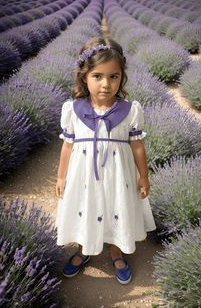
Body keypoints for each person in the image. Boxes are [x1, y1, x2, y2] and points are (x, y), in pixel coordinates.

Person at [55, 36, 156, 285]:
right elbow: (67, 145)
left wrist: (143, 175)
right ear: (84, 77)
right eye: (97, 76)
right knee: (84, 206)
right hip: (83, 176)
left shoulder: (130, 111)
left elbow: (137, 145)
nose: (106, 84)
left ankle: (115, 249)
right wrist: (61, 176)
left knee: (116, 207)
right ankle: (84, 249)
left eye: (114, 76)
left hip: (118, 176)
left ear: (122, 77)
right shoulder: (73, 110)